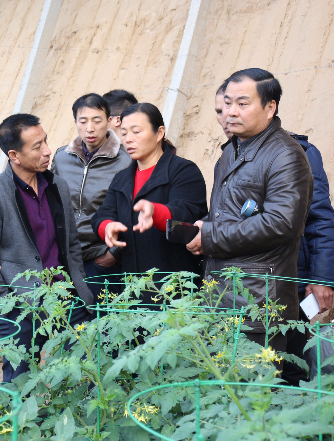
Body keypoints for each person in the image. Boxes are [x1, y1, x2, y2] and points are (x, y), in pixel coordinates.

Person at [186, 68, 313, 352]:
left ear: (270, 107)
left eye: (242, 104)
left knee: (252, 392)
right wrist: (202, 226)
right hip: (221, 294)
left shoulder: (286, 155)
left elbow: (281, 224)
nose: (231, 112)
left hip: (258, 302)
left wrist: (210, 237)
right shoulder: (233, 149)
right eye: (227, 103)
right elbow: (227, 213)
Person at [0, 113, 93, 382]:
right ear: (14, 155)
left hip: (67, 294)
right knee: (20, 381)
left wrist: (79, 284)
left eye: (46, 141)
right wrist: (9, 306)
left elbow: (71, 244)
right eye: (37, 146)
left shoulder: (58, 186)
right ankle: (21, 424)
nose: (47, 151)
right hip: (22, 305)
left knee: (83, 370)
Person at [92, 103, 207, 279]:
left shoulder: (184, 171)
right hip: (133, 283)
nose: (128, 139)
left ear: (159, 133)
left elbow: (188, 217)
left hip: (176, 283)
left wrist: (156, 212)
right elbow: (103, 214)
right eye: (123, 133)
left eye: (136, 132)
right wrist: (107, 226)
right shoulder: (121, 178)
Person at [52, 94, 131, 298]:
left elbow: (132, 212)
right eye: (83, 121)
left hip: (101, 258)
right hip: (64, 259)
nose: (90, 128)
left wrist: (112, 255)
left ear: (110, 121)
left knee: (103, 323)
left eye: (97, 120)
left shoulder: (126, 161)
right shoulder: (61, 158)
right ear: (75, 122)